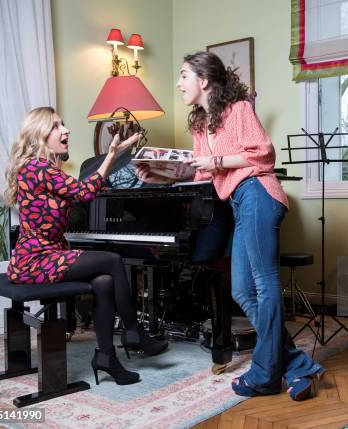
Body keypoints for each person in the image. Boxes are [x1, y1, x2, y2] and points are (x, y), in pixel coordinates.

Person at [136, 51, 324, 401]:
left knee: (265, 286)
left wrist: (217, 160)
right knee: (241, 290)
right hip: (238, 202)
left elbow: (263, 153)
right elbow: (199, 171)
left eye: (183, 76)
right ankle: (299, 367)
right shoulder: (199, 124)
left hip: (258, 193)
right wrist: (158, 175)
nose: (178, 84)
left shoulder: (238, 109)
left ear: (204, 80)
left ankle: (265, 375)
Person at [5, 107, 168, 386]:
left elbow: (82, 185)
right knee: (113, 260)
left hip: (51, 255)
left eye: (63, 124)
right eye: (56, 126)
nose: (65, 130)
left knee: (104, 281)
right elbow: (86, 191)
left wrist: (120, 149)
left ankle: (106, 357)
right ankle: (134, 331)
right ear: (39, 136)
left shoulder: (44, 168)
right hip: (34, 261)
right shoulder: (37, 167)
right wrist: (114, 153)